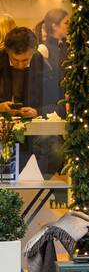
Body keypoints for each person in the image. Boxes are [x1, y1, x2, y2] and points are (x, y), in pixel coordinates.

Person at [0, 26, 63, 174]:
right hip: (3, 130)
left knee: (54, 150)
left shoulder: (48, 69)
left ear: (34, 51)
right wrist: (1, 107)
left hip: (37, 133)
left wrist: (37, 111)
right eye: (15, 60)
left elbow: (61, 106)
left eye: (25, 60)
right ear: (6, 51)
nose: (21, 65)